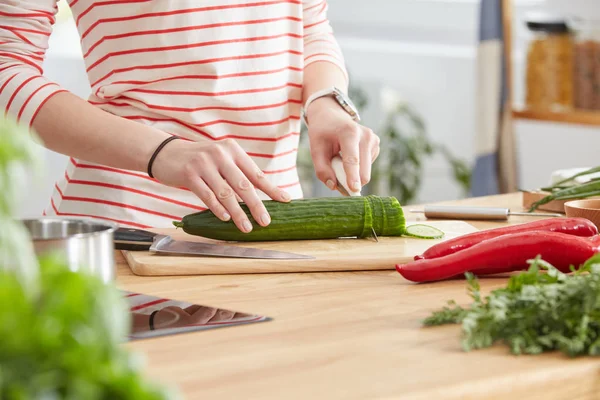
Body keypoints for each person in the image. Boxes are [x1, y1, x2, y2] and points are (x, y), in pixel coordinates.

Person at [0, 0, 379, 232]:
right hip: (129, 237)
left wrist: (327, 102)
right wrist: (161, 151)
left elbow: (308, 27)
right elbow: (7, 66)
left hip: (273, 230)